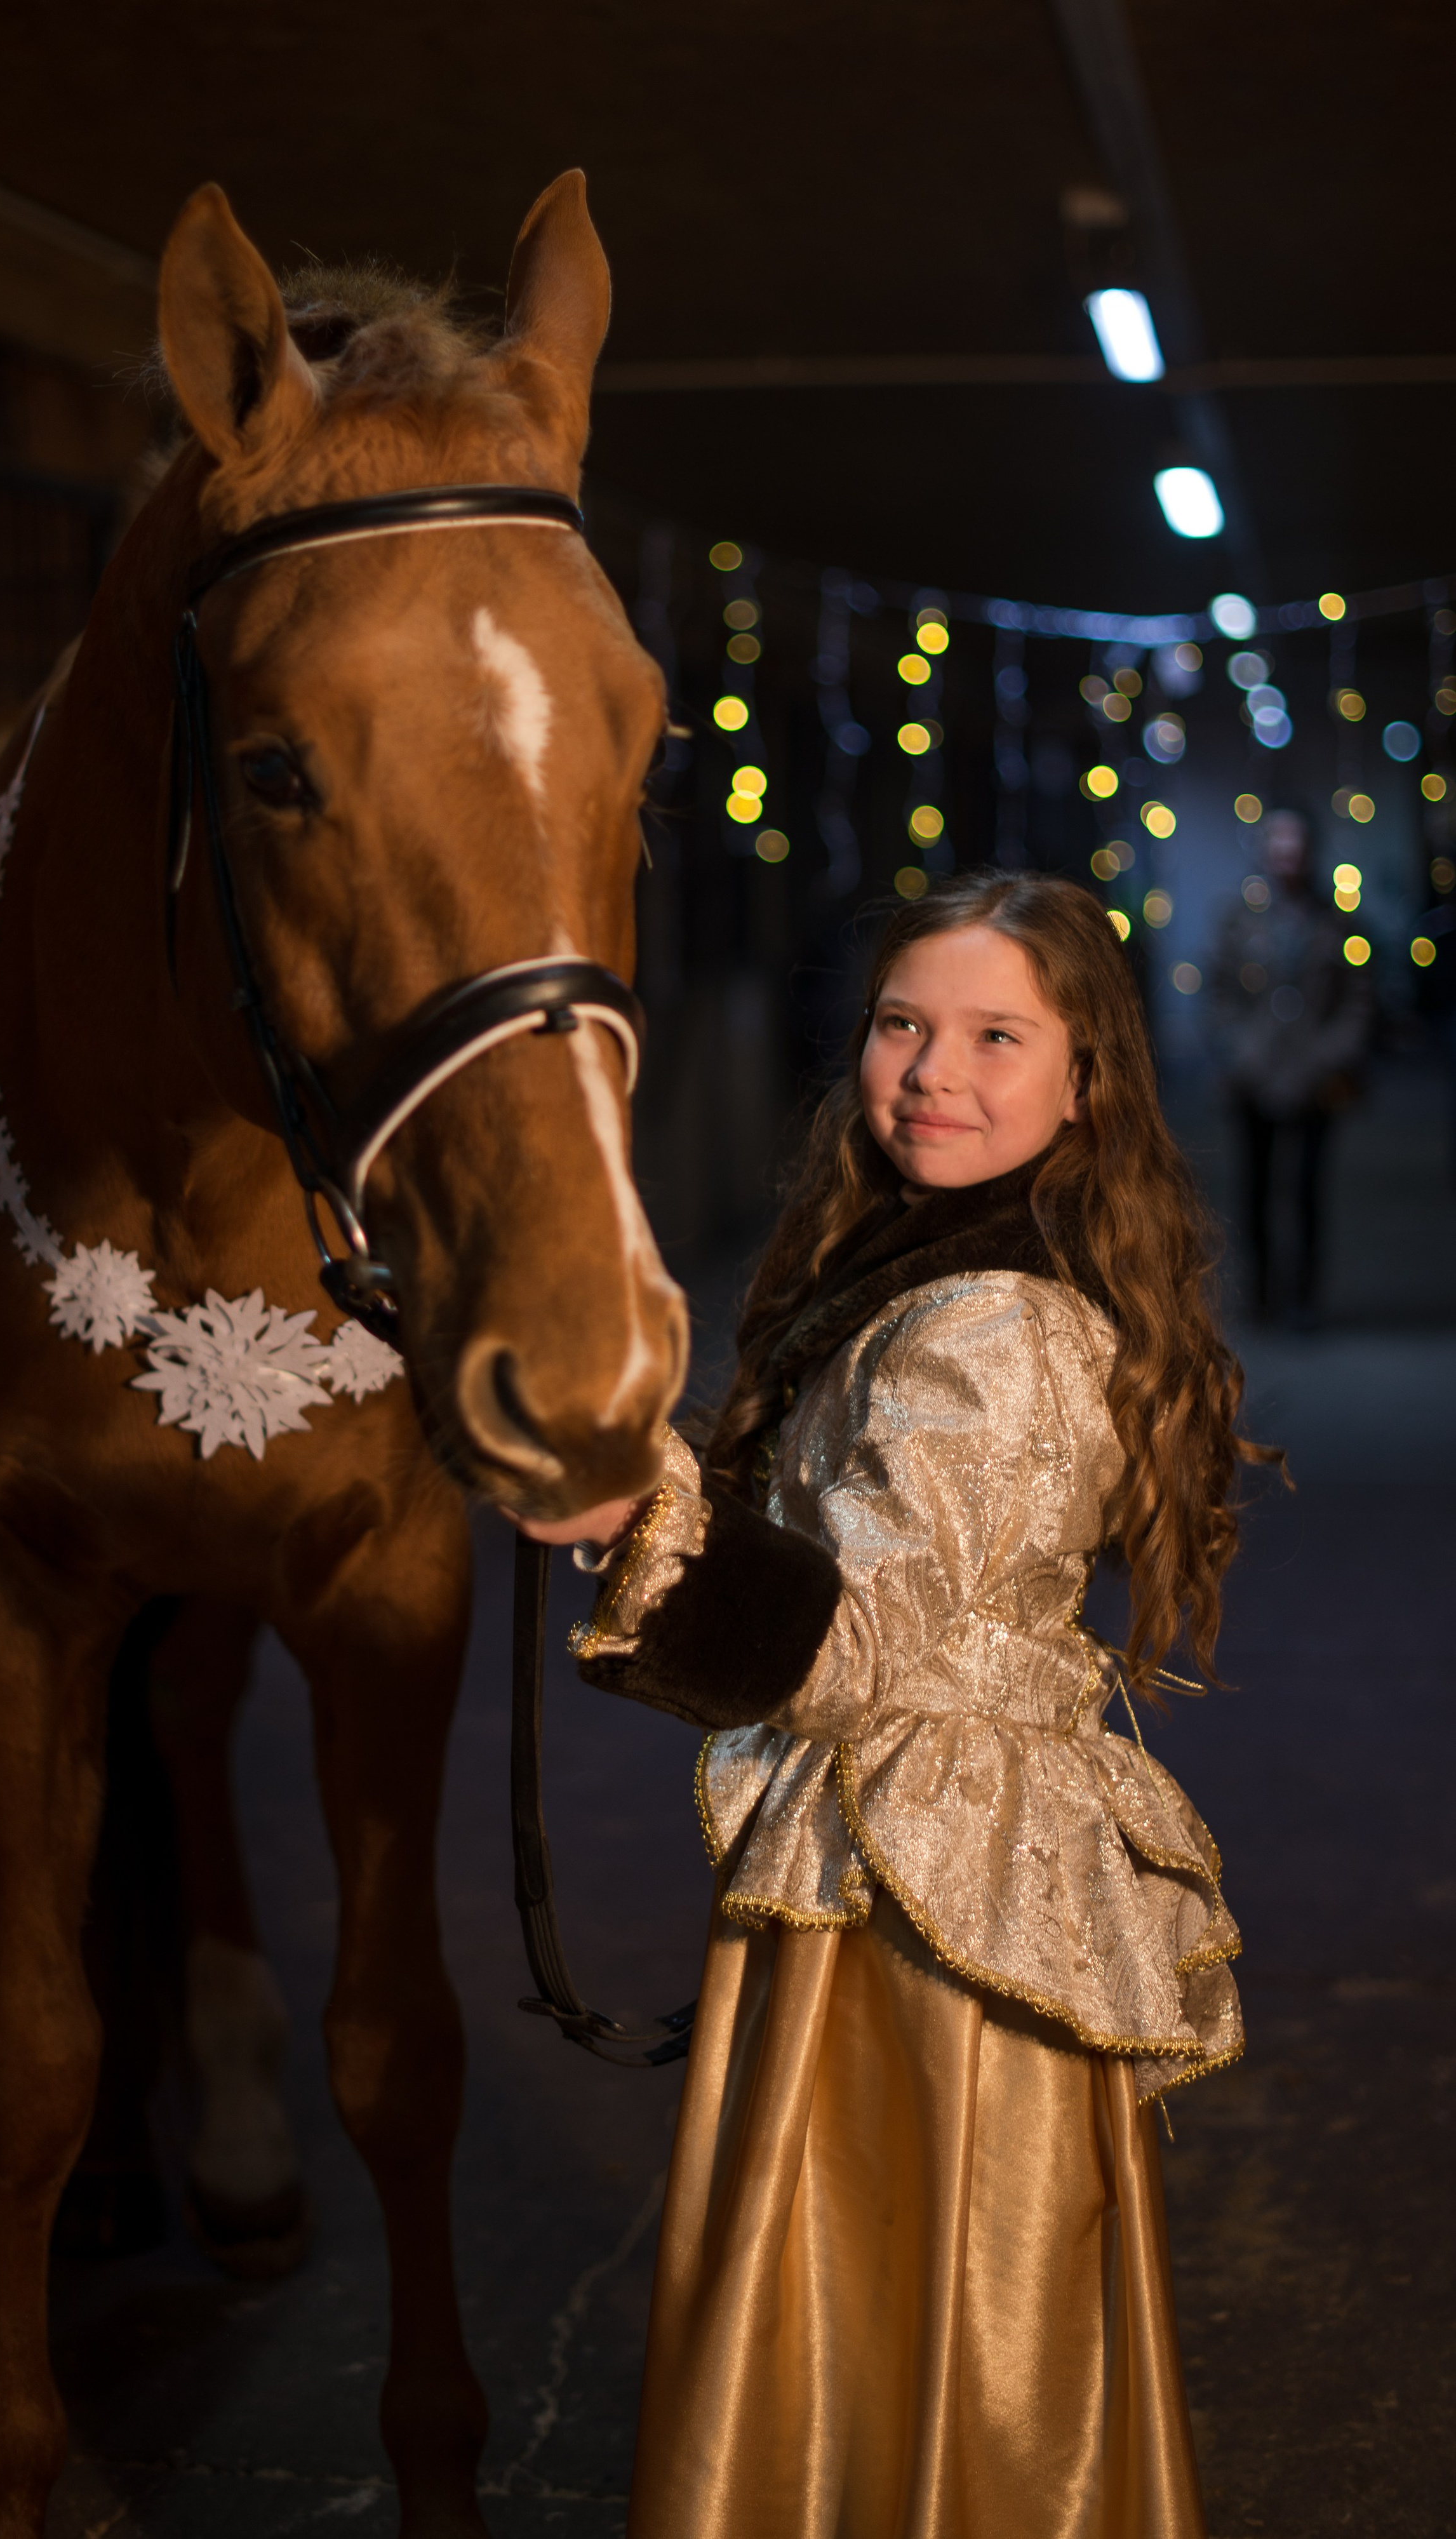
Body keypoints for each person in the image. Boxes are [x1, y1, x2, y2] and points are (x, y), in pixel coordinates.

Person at [526, 871, 1277, 2539]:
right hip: (902, 1845)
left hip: (927, 1896)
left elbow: (855, 1650)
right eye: (901, 1023)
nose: (933, 1069)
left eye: (997, 1034)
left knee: (917, 2270)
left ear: (1087, 1077)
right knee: (880, 2290)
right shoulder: (922, 1266)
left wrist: (633, 1521)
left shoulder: (993, 1323)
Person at [1210, 805, 1373, 1322]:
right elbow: (1218, 994)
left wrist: (1330, 1055)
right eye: (1277, 843)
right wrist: (1241, 1051)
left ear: (1310, 852)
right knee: (1255, 1189)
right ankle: (1263, 1294)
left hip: (1315, 1076)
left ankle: (1304, 1297)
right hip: (1254, 1075)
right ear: (1265, 851)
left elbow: (1359, 999)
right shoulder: (1239, 919)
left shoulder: (1338, 922)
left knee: (1307, 1190)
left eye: (1295, 843)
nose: (1287, 854)